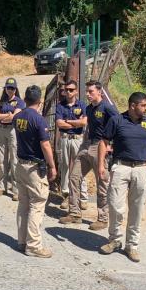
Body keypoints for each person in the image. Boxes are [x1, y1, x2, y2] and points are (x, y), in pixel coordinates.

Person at [98, 92, 146, 262]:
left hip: (141, 169)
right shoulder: (117, 120)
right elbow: (103, 142)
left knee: (137, 209)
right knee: (114, 206)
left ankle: (132, 245)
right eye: (143, 105)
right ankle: (114, 240)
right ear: (133, 105)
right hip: (120, 167)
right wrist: (100, 166)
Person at [59, 81, 119, 229]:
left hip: (101, 146)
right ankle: (74, 213)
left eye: (91, 91)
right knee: (74, 177)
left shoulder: (108, 108)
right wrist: (84, 143)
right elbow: (88, 127)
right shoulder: (89, 108)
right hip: (87, 145)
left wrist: (112, 145)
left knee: (102, 183)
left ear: (100, 92)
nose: (88, 94)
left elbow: (119, 125)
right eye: (87, 91)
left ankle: (103, 219)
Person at [13, 85, 57, 258]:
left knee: (23, 204)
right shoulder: (39, 120)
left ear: (25, 98)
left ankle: (22, 241)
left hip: (21, 165)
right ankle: (34, 246)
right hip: (34, 167)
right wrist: (52, 166)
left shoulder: (18, 117)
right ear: (40, 101)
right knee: (37, 205)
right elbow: (45, 145)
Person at [55, 80, 88, 209]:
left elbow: (84, 122)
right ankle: (67, 195)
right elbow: (59, 123)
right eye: (66, 90)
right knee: (65, 167)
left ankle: (82, 197)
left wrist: (67, 121)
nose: (68, 92)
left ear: (76, 91)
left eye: (71, 90)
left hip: (78, 139)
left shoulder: (82, 105)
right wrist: (75, 122)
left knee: (80, 167)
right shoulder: (60, 105)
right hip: (64, 139)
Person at [0, 77, 25, 201]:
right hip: (1, 130)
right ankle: (1, 187)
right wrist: (7, 115)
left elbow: (15, 116)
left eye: (12, 88)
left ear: (15, 89)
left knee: (14, 160)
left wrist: (5, 117)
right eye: (8, 88)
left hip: (12, 131)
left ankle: (15, 190)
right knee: (1, 159)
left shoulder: (19, 102)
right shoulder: (1, 102)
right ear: (5, 88)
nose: (9, 90)